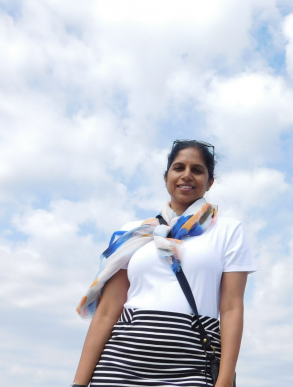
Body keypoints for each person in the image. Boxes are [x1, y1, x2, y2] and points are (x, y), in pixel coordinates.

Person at [72, 140, 256, 387]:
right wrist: (79, 383)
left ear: (210, 182)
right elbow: (107, 311)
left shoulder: (228, 230)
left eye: (197, 170)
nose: (186, 175)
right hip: (119, 367)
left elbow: (232, 308)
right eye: (179, 168)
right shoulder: (134, 233)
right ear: (166, 177)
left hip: (191, 368)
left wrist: (223, 383)